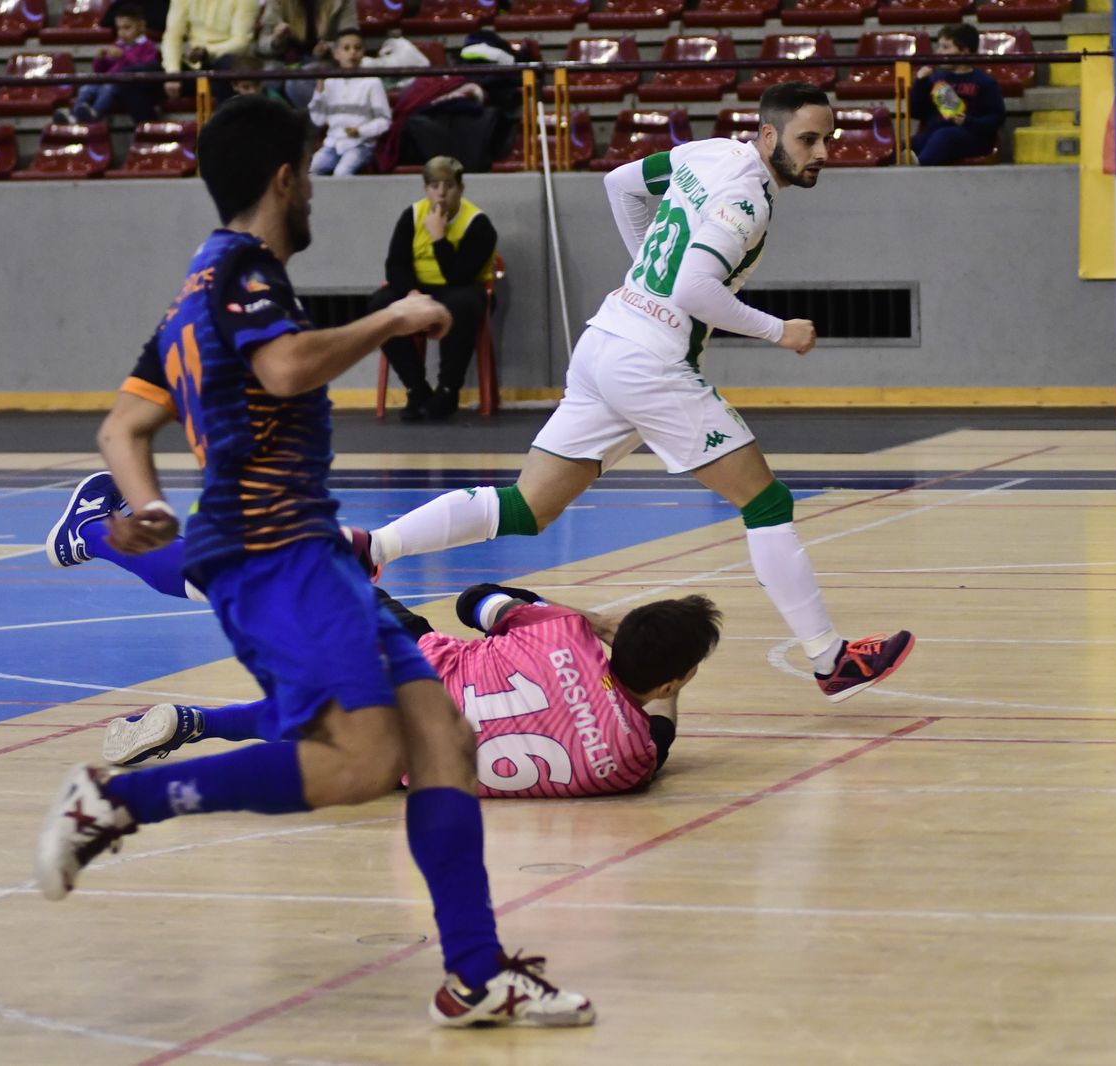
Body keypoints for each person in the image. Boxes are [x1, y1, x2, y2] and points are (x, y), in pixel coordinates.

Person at [33, 95, 593, 1028]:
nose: (314, 200)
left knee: (444, 741)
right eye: (308, 177)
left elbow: (122, 426)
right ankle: (115, 803)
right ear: (288, 178)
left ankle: (475, 973)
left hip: (308, 551)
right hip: (272, 554)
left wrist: (149, 507)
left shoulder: (191, 293)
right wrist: (394, 317)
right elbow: (287, 369)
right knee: (363, 763)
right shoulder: (246, 273)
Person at [355, 82, 916, 703]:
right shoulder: (749, 198)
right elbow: (696, 290)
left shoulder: (712, 152)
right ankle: (830, 659)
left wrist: (647, 270)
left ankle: (374, 545)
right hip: (650, 360)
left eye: (827, 140)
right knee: (766, 504)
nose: (822, 152)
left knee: (528, 507)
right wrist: (778, 330)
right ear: (767, 135)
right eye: (808, 139)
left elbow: (619, 182)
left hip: (608, 337)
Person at [101, 581, 719, 800]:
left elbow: (474, 599)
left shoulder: (565, 636)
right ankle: (196, 724)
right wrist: (663, 683)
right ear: (672, 680)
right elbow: (658, 724)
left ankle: (118, 542)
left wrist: (594, 623)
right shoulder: (633, 760)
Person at [367, 156, 498, 420]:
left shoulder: (478, 224)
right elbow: (395, 265)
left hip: (462, 290)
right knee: (379, 303)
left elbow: (459, 276)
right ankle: (417, 389)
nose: (440, 193)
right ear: (426, 189)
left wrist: (439, 237)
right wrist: (412, 294)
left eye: (448, 185)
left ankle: (448, 390)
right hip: (421, 291)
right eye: (434, 186)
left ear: (460, 189)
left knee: (462, 304)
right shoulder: (412, 216)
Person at [908, 23, 1006, 167]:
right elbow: (917, 112)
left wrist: (968, 121)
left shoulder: (984, 82)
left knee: (944, 136)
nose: (939, 52)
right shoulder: (935, 79)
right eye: (939, 46)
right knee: (906, 144)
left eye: (946, 47)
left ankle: (918, 171)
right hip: (935, 133)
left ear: (964, 51)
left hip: (973, 136)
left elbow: (996, 119)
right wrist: (920, 83)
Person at [57, 3, 160, 125]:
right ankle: (74, 116)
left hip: (124, 86)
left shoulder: (148, 46)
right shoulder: (118, 44)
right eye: (119, 28)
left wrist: (123, 56)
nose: (122, 33)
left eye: (127, 28)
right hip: (108, 79)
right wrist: (100, 59)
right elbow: (100, 70)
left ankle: (95, 113)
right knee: (86, 89)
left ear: (141, 26)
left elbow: (145, 68)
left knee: (108, 88)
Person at [307, 30, 389, 176]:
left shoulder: (372, 82)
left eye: (357, 48)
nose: (352, 53)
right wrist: (319, 92)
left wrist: (360, 131)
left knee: (342, 172)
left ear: (363, 52)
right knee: (311, 170)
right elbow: (318, 120)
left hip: (361, 144)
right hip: (333, 143)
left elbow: (384, 120)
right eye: (346, 48)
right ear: (336, 53)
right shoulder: (330, 81)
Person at [257, 0, 356, 108]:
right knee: (266, 78)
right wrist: (276, 40)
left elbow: (351, 39)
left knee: (296, 84)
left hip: (323, 60)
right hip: (283, 60)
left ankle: (321, 118)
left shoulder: (341, 2)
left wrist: (329, 47)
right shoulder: (278, 2)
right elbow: (263, 44)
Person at [161, 0, 260, 104]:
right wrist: (172, 74)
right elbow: (172, 37)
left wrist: (207, 52)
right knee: (147, 73)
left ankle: (226, 118)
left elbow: (241, 42)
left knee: (228, 65)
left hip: (223, 60)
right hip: (192, 63)